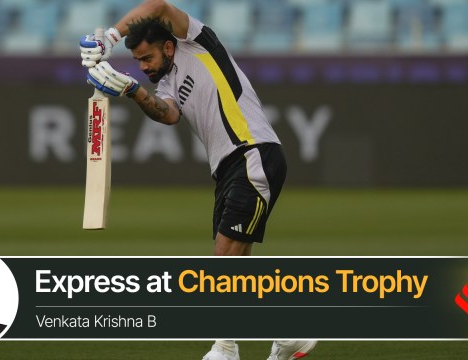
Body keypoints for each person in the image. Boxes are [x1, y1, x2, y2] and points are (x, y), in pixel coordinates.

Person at [80, 0, 317, 358]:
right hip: (226, 169)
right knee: (234, 268)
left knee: (221, 262)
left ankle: (225, 348)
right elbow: (168, 114)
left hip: (252, 151)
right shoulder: (167, 81)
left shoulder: (197, 41)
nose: (143, 67)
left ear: (169, 46)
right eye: (138, 63)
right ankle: (288, 337)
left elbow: (158, 5)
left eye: (147, 59)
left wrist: (111, 36)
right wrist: (130, 89)